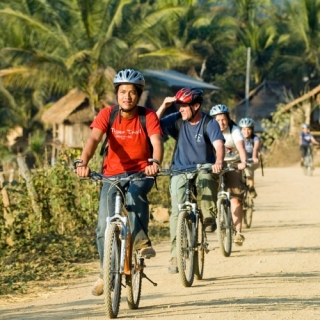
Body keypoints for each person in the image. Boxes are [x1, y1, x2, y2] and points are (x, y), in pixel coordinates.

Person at [76, 68, 163, 295]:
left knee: (135, 195)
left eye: (132, 92)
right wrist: (82, 163)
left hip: (140, 174)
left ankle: (142, 242)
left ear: (139, 94)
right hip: (111, 176)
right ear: (117, 93)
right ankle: (106, 274)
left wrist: (154, 162)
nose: (127, 96)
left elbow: (156, 142)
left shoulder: (148, 116)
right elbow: (94, 139)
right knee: (103, 227)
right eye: (123, 91)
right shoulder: (108, 114)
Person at [156, 87, 225, 274]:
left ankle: (208, 216)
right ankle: (175, 255)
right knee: (177, 212)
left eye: (184, 106)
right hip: (179, 170)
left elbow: (219, 145)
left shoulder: (209, 123)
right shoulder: (177, 120)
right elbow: (152, 126)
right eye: (179, 106)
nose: (181, 110)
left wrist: (218, 161)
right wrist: (163, 105)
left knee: (206, 178)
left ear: (196, 106)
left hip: (203, 167)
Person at [209, 104, 247, 246]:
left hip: (234, 163)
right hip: (215, 165)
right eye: (218, 120)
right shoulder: (210, 130)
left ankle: (238, 232)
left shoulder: (234, 130)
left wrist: (243, 161)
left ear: (228, 119)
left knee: (235, 198)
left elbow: (241, 147)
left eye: (223, 119)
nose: (221, 123)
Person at [238, 117, 261, 198]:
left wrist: (254, 157)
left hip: (251, 161)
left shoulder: (255, 138)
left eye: (248, 129)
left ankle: (251, 188)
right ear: (240, 130)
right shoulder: (238, 138)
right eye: (244, 129)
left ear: (252, 130)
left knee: (248, 168)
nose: (246, 132)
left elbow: (255, 149)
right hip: (240, 160)